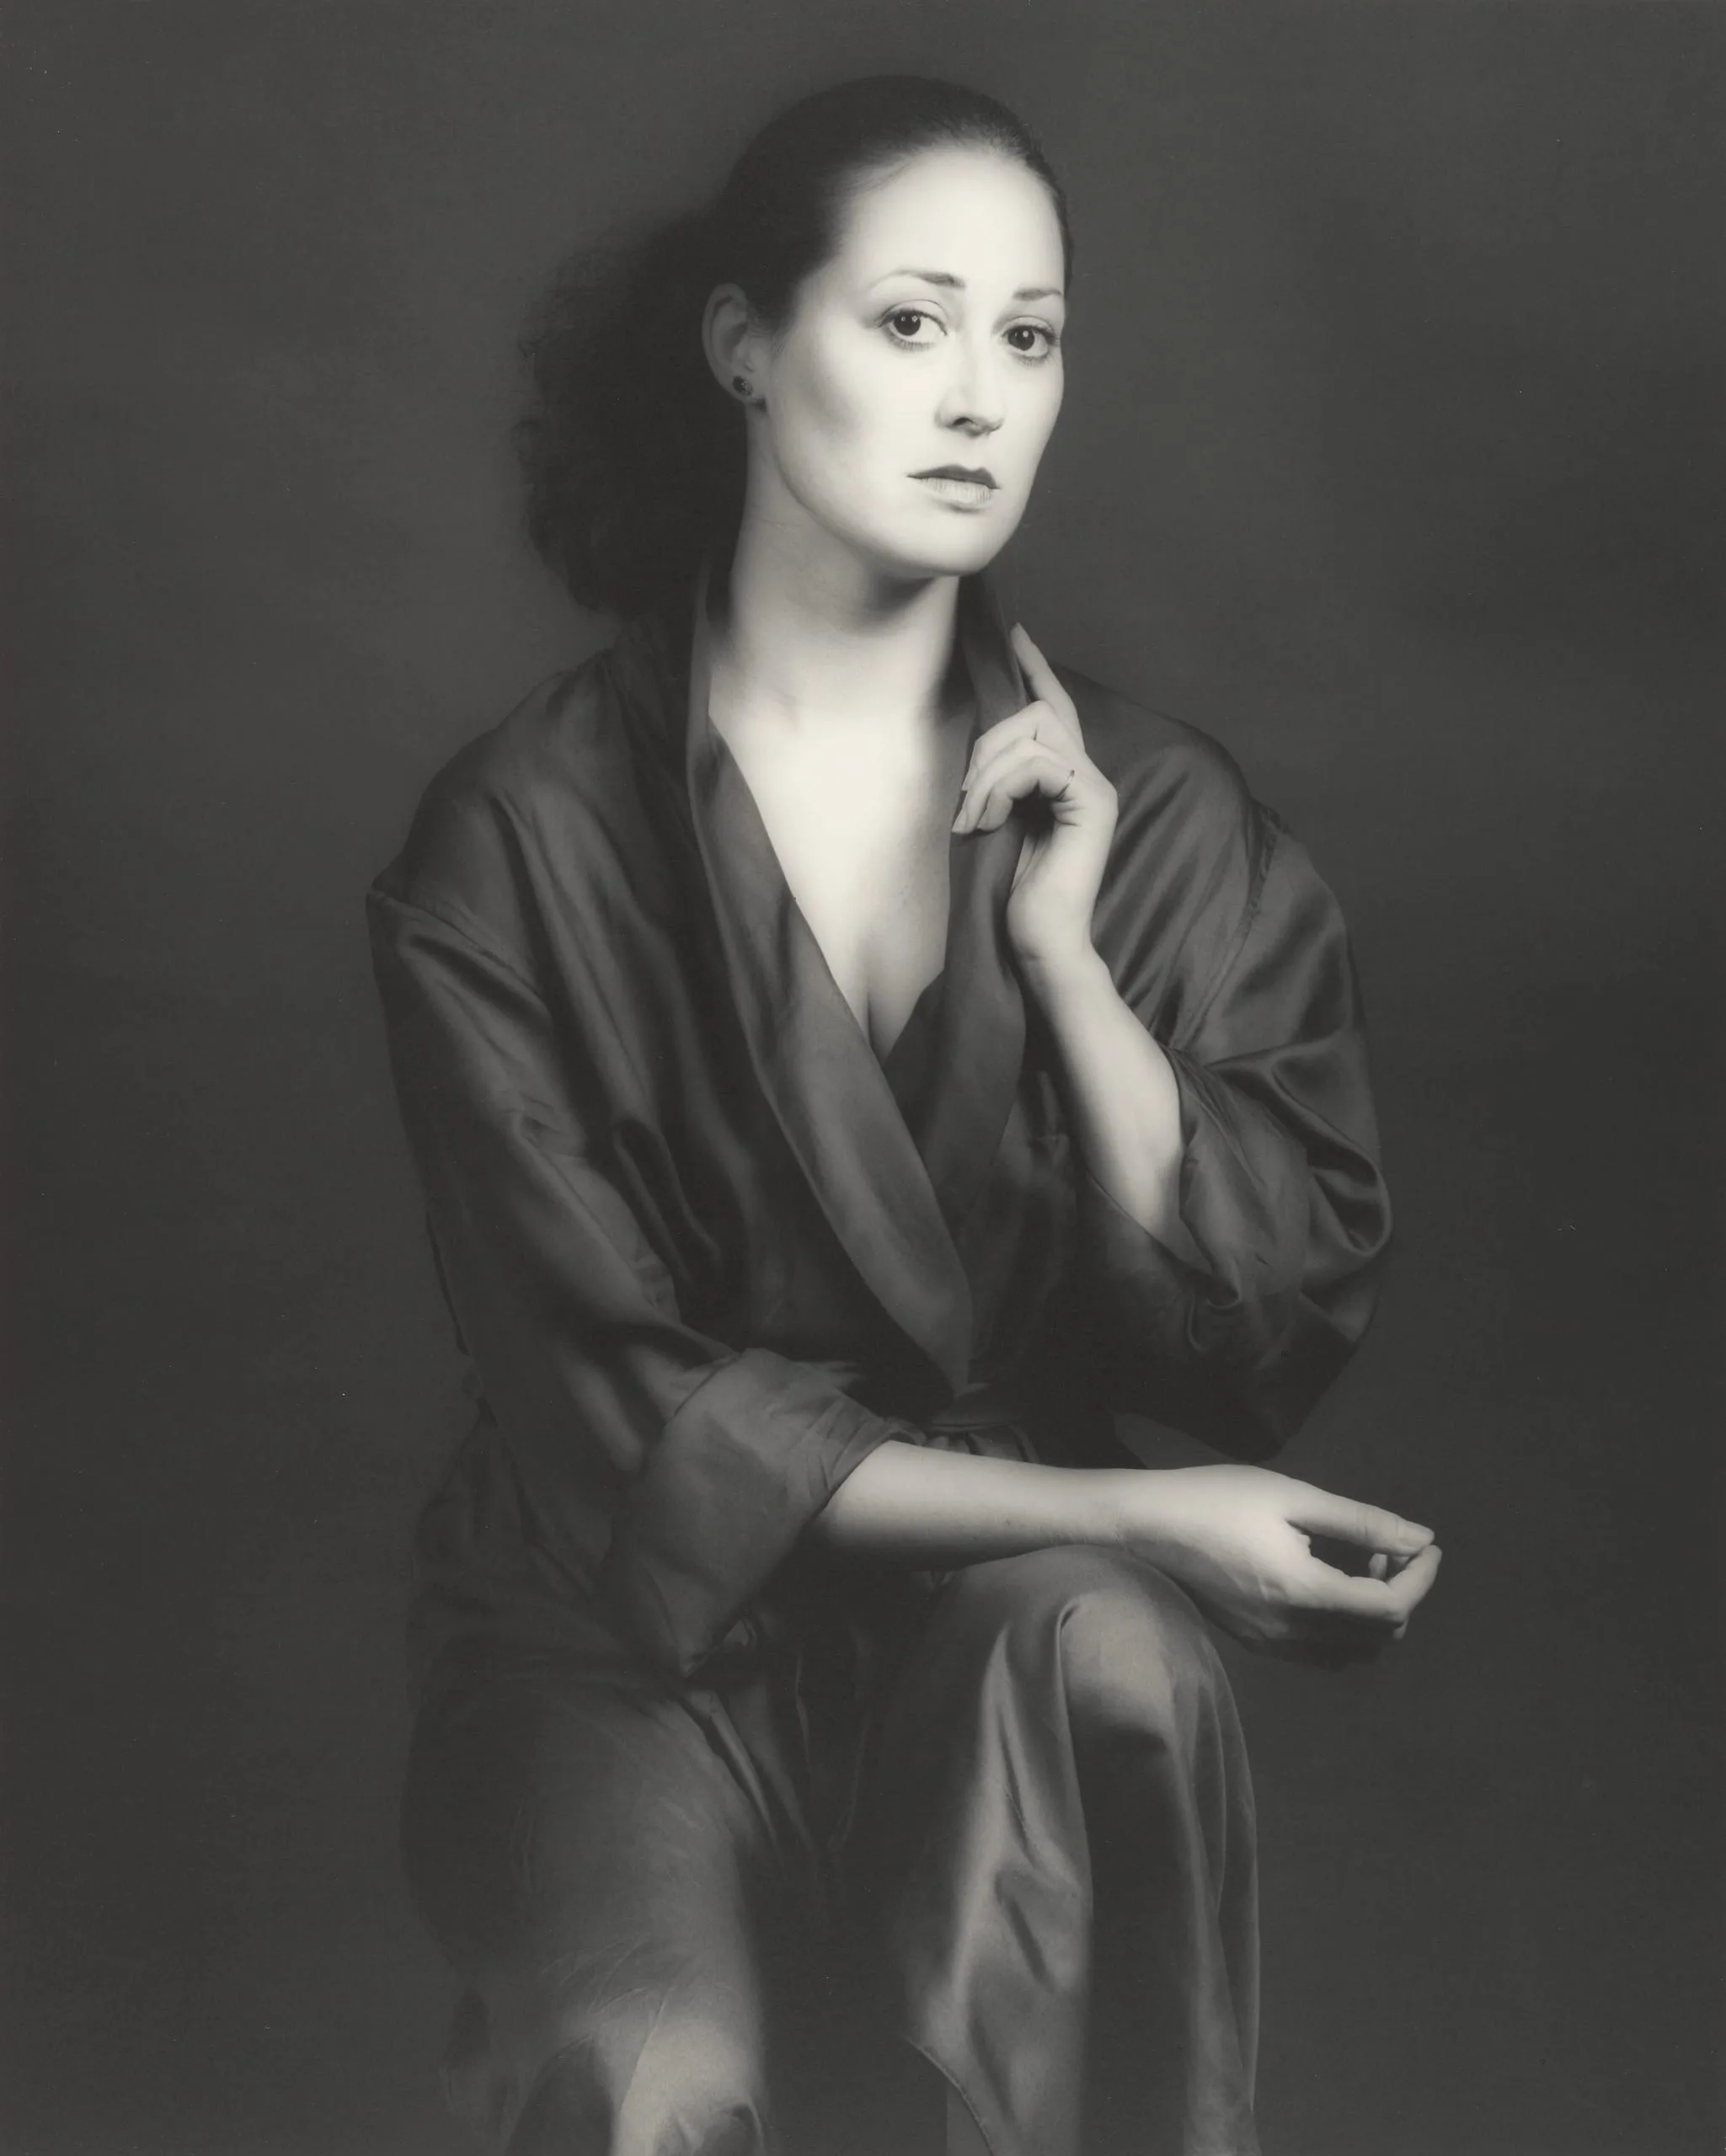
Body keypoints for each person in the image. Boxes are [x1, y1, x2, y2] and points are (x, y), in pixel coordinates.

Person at [366, 74, 1441, 2156]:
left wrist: (1065, 962)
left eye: (1027, 337)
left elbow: (1253, 1339)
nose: (978, 397)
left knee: (1119, 1663)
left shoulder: (1156, 816)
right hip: (626, 1637)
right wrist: (1155, 1516)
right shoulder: (512, 842)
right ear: (744, 344)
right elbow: (633, 1418)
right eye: (910, 321)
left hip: (1007, 1605)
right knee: (652, 2079)